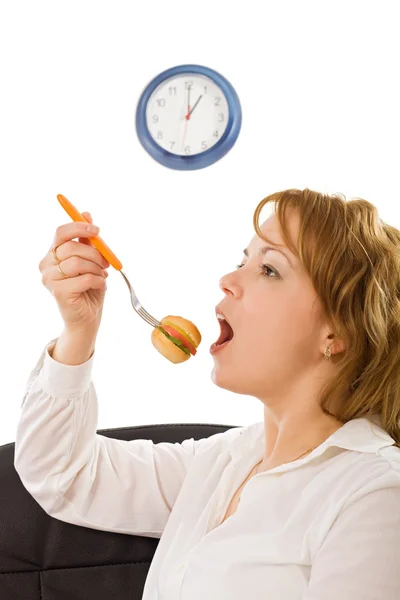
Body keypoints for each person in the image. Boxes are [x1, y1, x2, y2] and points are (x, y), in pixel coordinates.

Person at [14, 188, 400, 599]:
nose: (228, 280)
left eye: (269, 269)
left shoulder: (374, 496)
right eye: (242, 261)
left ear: (336, 331)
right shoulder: (223, 461)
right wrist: (79, 330)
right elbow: (60, 473)